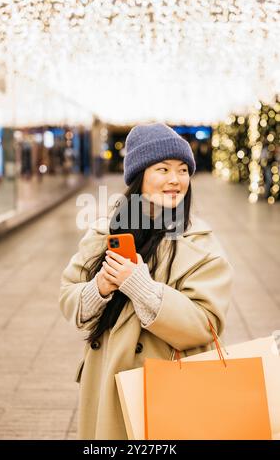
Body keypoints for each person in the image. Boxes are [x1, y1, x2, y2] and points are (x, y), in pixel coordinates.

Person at [59, 123, 233, 440]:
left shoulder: (201, 245)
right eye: (162, 169)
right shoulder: (103, 234)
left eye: (183, 170)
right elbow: (70, 300)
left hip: (171, 389)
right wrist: (100, 288)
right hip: (108, 389)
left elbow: (206, 325)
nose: (175, 179)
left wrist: (145, 290)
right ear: (140, 177)